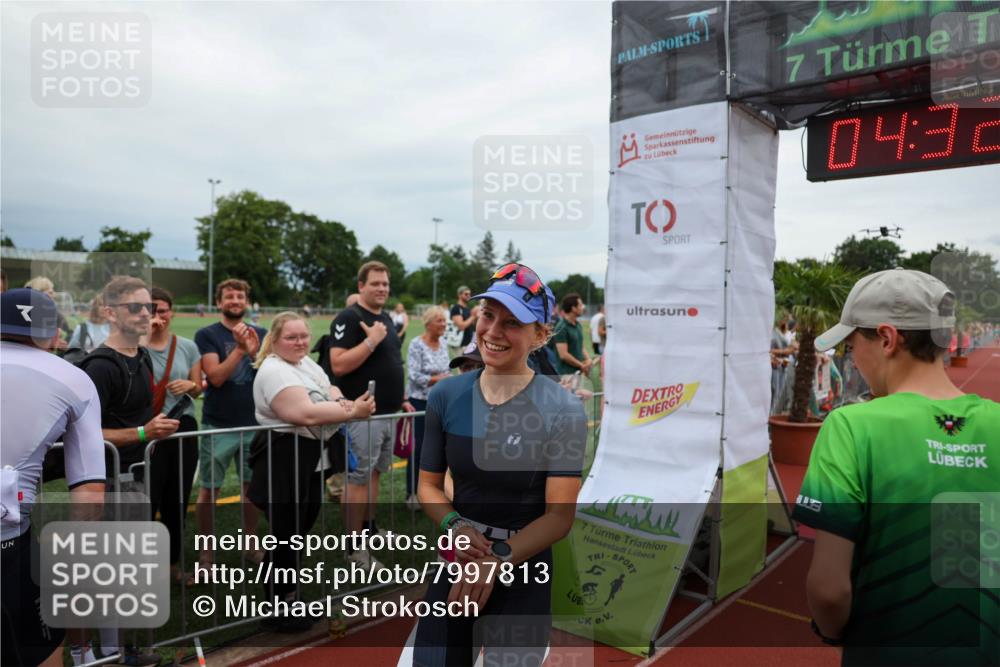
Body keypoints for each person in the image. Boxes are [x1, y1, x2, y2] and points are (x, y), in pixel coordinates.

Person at [793, 268, 999, 667]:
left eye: (852, 346)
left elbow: (829, 590)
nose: (852, 359)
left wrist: (832, 630)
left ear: (886, 339)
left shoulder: (851, 426)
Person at [415, 263, 587, 667]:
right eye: (488, 315)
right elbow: (428, 487)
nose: (493, 331)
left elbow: (559, 516)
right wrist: (455, 528)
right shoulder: (447, 396)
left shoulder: (561, 408)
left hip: (524, 566)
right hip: (459, 558)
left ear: (540, 335)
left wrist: (498, 560)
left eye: (512, 322)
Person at [248, 312, 374, 632]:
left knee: (296, 534)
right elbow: (302, 412)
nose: (300, 342)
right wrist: (352, 410)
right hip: (283, 457)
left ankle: (286, 597)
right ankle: (280, 606)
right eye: (291, 337)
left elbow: (330, 388)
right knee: (287, 535)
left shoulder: (305, 363)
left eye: (303, 335)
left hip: (309, 459)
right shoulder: (274, 369)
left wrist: (343, 404)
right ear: (274, 340)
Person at [1, 288, 105, 667]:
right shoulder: (74, 379)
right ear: (51, 332)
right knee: (40, 652)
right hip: (10, 544)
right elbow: (90, 493)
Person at [79, 276, 176, 666]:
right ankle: (104, 652)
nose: (145, 314)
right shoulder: (99, 366)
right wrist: (142, 432)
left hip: (133, 475)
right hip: (102, 480)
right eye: (135, 307)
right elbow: (83, 435)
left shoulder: (142, 356)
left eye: (148, 307)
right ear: (109, 313)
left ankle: (119, 647)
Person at [328, 261, 414, 570]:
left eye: (385, 284)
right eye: (375, 283)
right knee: (358, 479)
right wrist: (370, 340)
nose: (382, 289)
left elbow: (389, 361)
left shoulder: (386, 317)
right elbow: (337, 364)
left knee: (375, 474)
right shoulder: (350, 318)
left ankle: (369, 529)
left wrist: (400, 397)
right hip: (362, 414)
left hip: (387, 412)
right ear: (361, 285)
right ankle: (354, 549)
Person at [194, 279, 267, 567]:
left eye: (240, 295)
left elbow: (266, 373)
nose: (235, 300)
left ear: (247, 301)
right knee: (209, 490)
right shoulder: (207, 334)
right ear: (219, 302)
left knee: (251, 490)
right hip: (219, 424)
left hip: (255, 423)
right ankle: (206, 554)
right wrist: (239, 349)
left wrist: (253, 352)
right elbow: (216, 378)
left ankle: (251, 544)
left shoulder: (261, 333)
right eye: (229, 296)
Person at [146, 287, 202, 585]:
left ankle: (170, 568)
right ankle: (143, 569)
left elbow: (200, 384)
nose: (158, 315)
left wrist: (190, 386)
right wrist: (144, 337)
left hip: (183, 427)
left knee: (176, 501)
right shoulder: (134, 346)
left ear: (172, 312)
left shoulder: (187, 346)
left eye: (163, 309)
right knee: (147, 500)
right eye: (151, 308)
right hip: (149, 430)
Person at [405, 306, 451, 510]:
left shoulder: (444, 344)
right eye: (439, 321)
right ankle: (412, 493)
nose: (444, 324)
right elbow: (414, 376)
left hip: (440, 402)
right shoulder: (416, 344)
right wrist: (437, 379)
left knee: (439, 448)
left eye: (444, 321)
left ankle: (435, 491)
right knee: (419, 448)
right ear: (428, 323)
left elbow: (448, 369)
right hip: (419, 403)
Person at [551, 293, 591, 378]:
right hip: (566, 374)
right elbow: (563, 355)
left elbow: (581, 346)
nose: (582, 308)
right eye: (580, 305)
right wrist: (581, 365)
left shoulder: (578, 325)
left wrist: (588, 360)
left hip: (578, 372)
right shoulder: (561, 328)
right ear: (573, 308)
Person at [449, 285, 479, 357]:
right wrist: (473, 316)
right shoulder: (456, 308)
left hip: (468, 343)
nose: (469, 296)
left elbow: (471, 324)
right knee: (461, 367)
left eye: (469, 294)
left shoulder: (467, 308)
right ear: (459, 295)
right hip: (459, 344)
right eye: (466, 294)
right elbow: (461, 326)